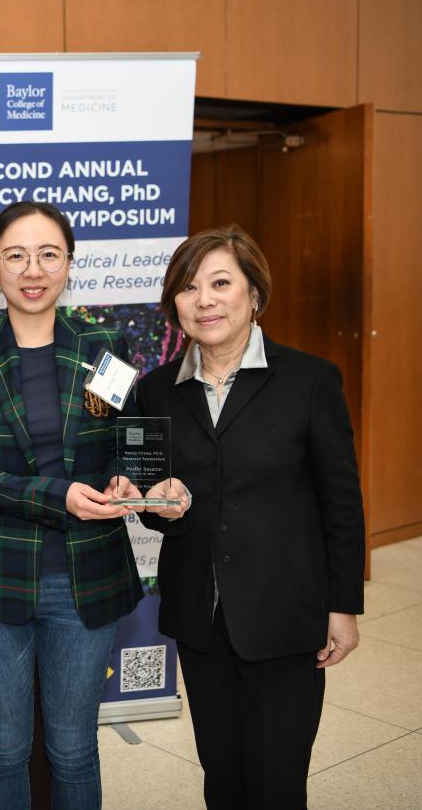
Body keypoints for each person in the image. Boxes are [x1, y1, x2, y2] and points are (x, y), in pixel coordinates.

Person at [137, 224, 365, 809]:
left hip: (285, 615)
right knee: (224, 777)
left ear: (254, 295)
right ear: (174, 306)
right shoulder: (158, 390)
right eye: (188, 289)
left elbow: (341, 501)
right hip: (201, 616)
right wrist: (157, 505)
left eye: (220, 283)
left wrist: (343, 607)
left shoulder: (310, 380)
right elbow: (154, 506)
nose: (204, 300)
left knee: (277, 783)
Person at [0, 201, 145, 809]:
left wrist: (125, 479)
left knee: (74, 747)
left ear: (69, 263)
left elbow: (121, 440)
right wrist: (57, 496)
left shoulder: (105, 345)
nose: (34, 269)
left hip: (86, 576)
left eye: (49, 253)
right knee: (3, 747)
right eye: (16, 255)